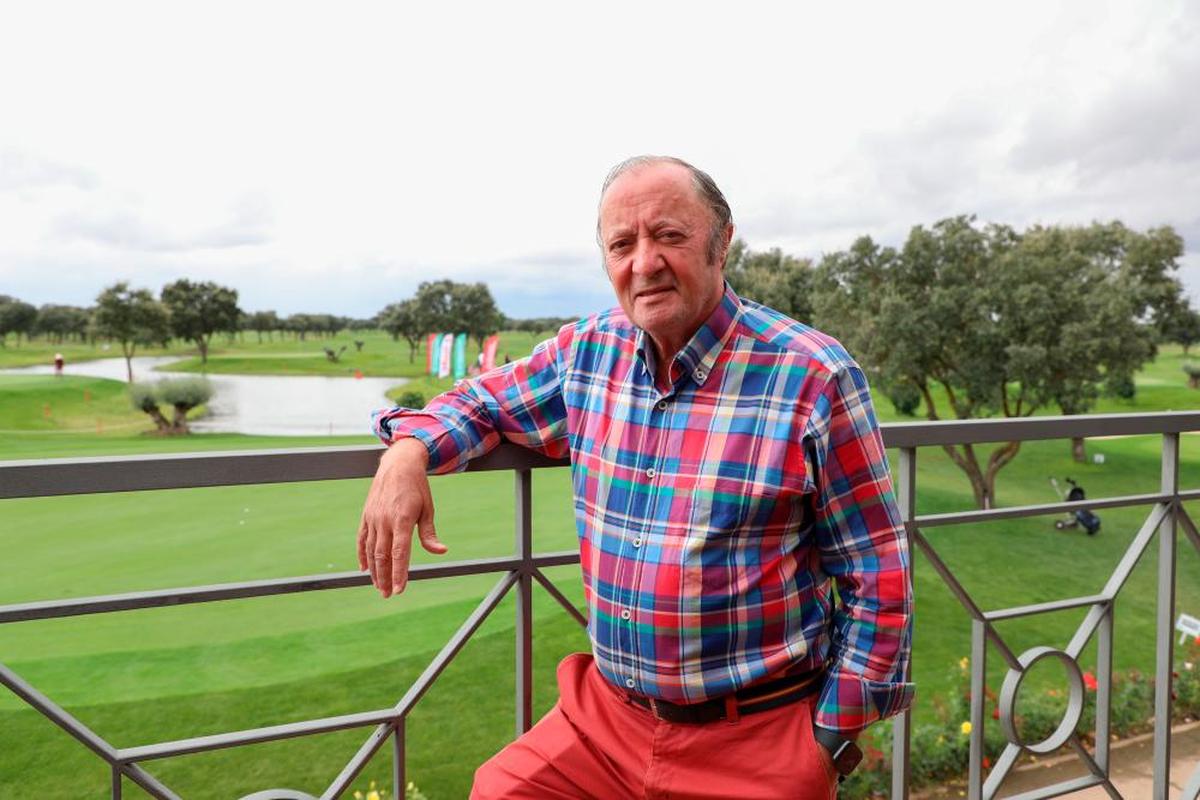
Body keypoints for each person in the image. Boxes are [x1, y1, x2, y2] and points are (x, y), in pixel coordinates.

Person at [359, 156, 914, 799]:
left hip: (756, 735)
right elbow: (478, 402)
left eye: (669, 236)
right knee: (501, 789)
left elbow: (878, 571)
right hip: (604, 721)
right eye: (622, 244)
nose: (643, 262)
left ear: (721, 240)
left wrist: (828, 742)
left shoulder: (813, 376)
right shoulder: (587, 352)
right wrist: (407, 450)